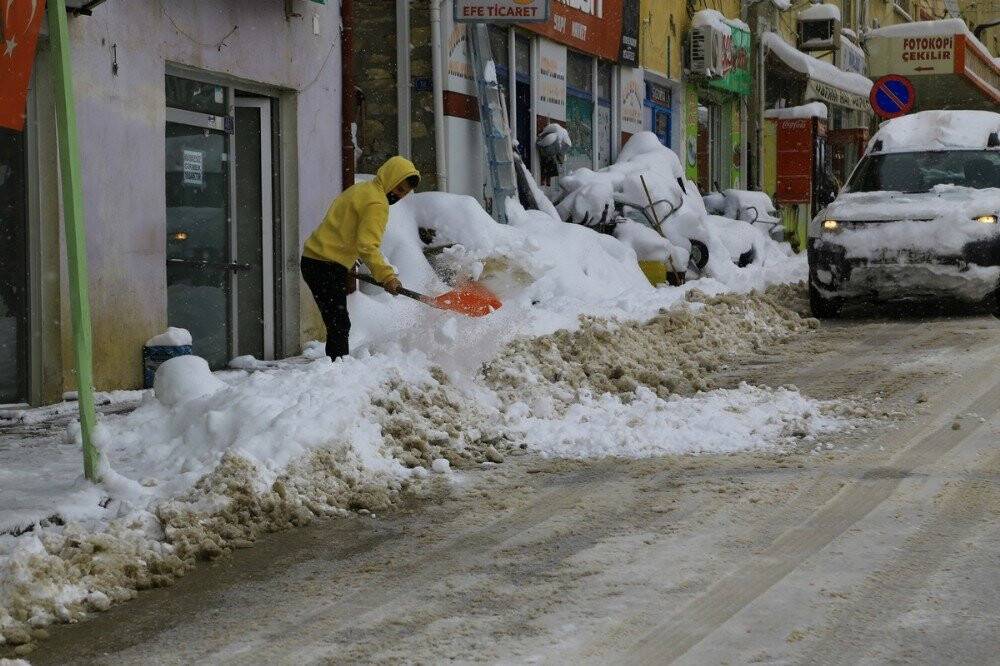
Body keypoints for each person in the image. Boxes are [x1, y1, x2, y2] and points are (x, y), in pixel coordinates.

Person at [301, 156, 420, 360]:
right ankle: (337, 371)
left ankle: (337, 366)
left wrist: (347, 256)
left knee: (336, 321)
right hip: (325, 264)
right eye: (399, 189)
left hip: (316, 259)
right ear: (390, 180)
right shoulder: (377, 202)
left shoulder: (362, 189)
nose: (399, 196)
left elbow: (342, 226)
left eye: (405, 193)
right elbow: (367, 246)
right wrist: (387, 277)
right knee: (339, 323)